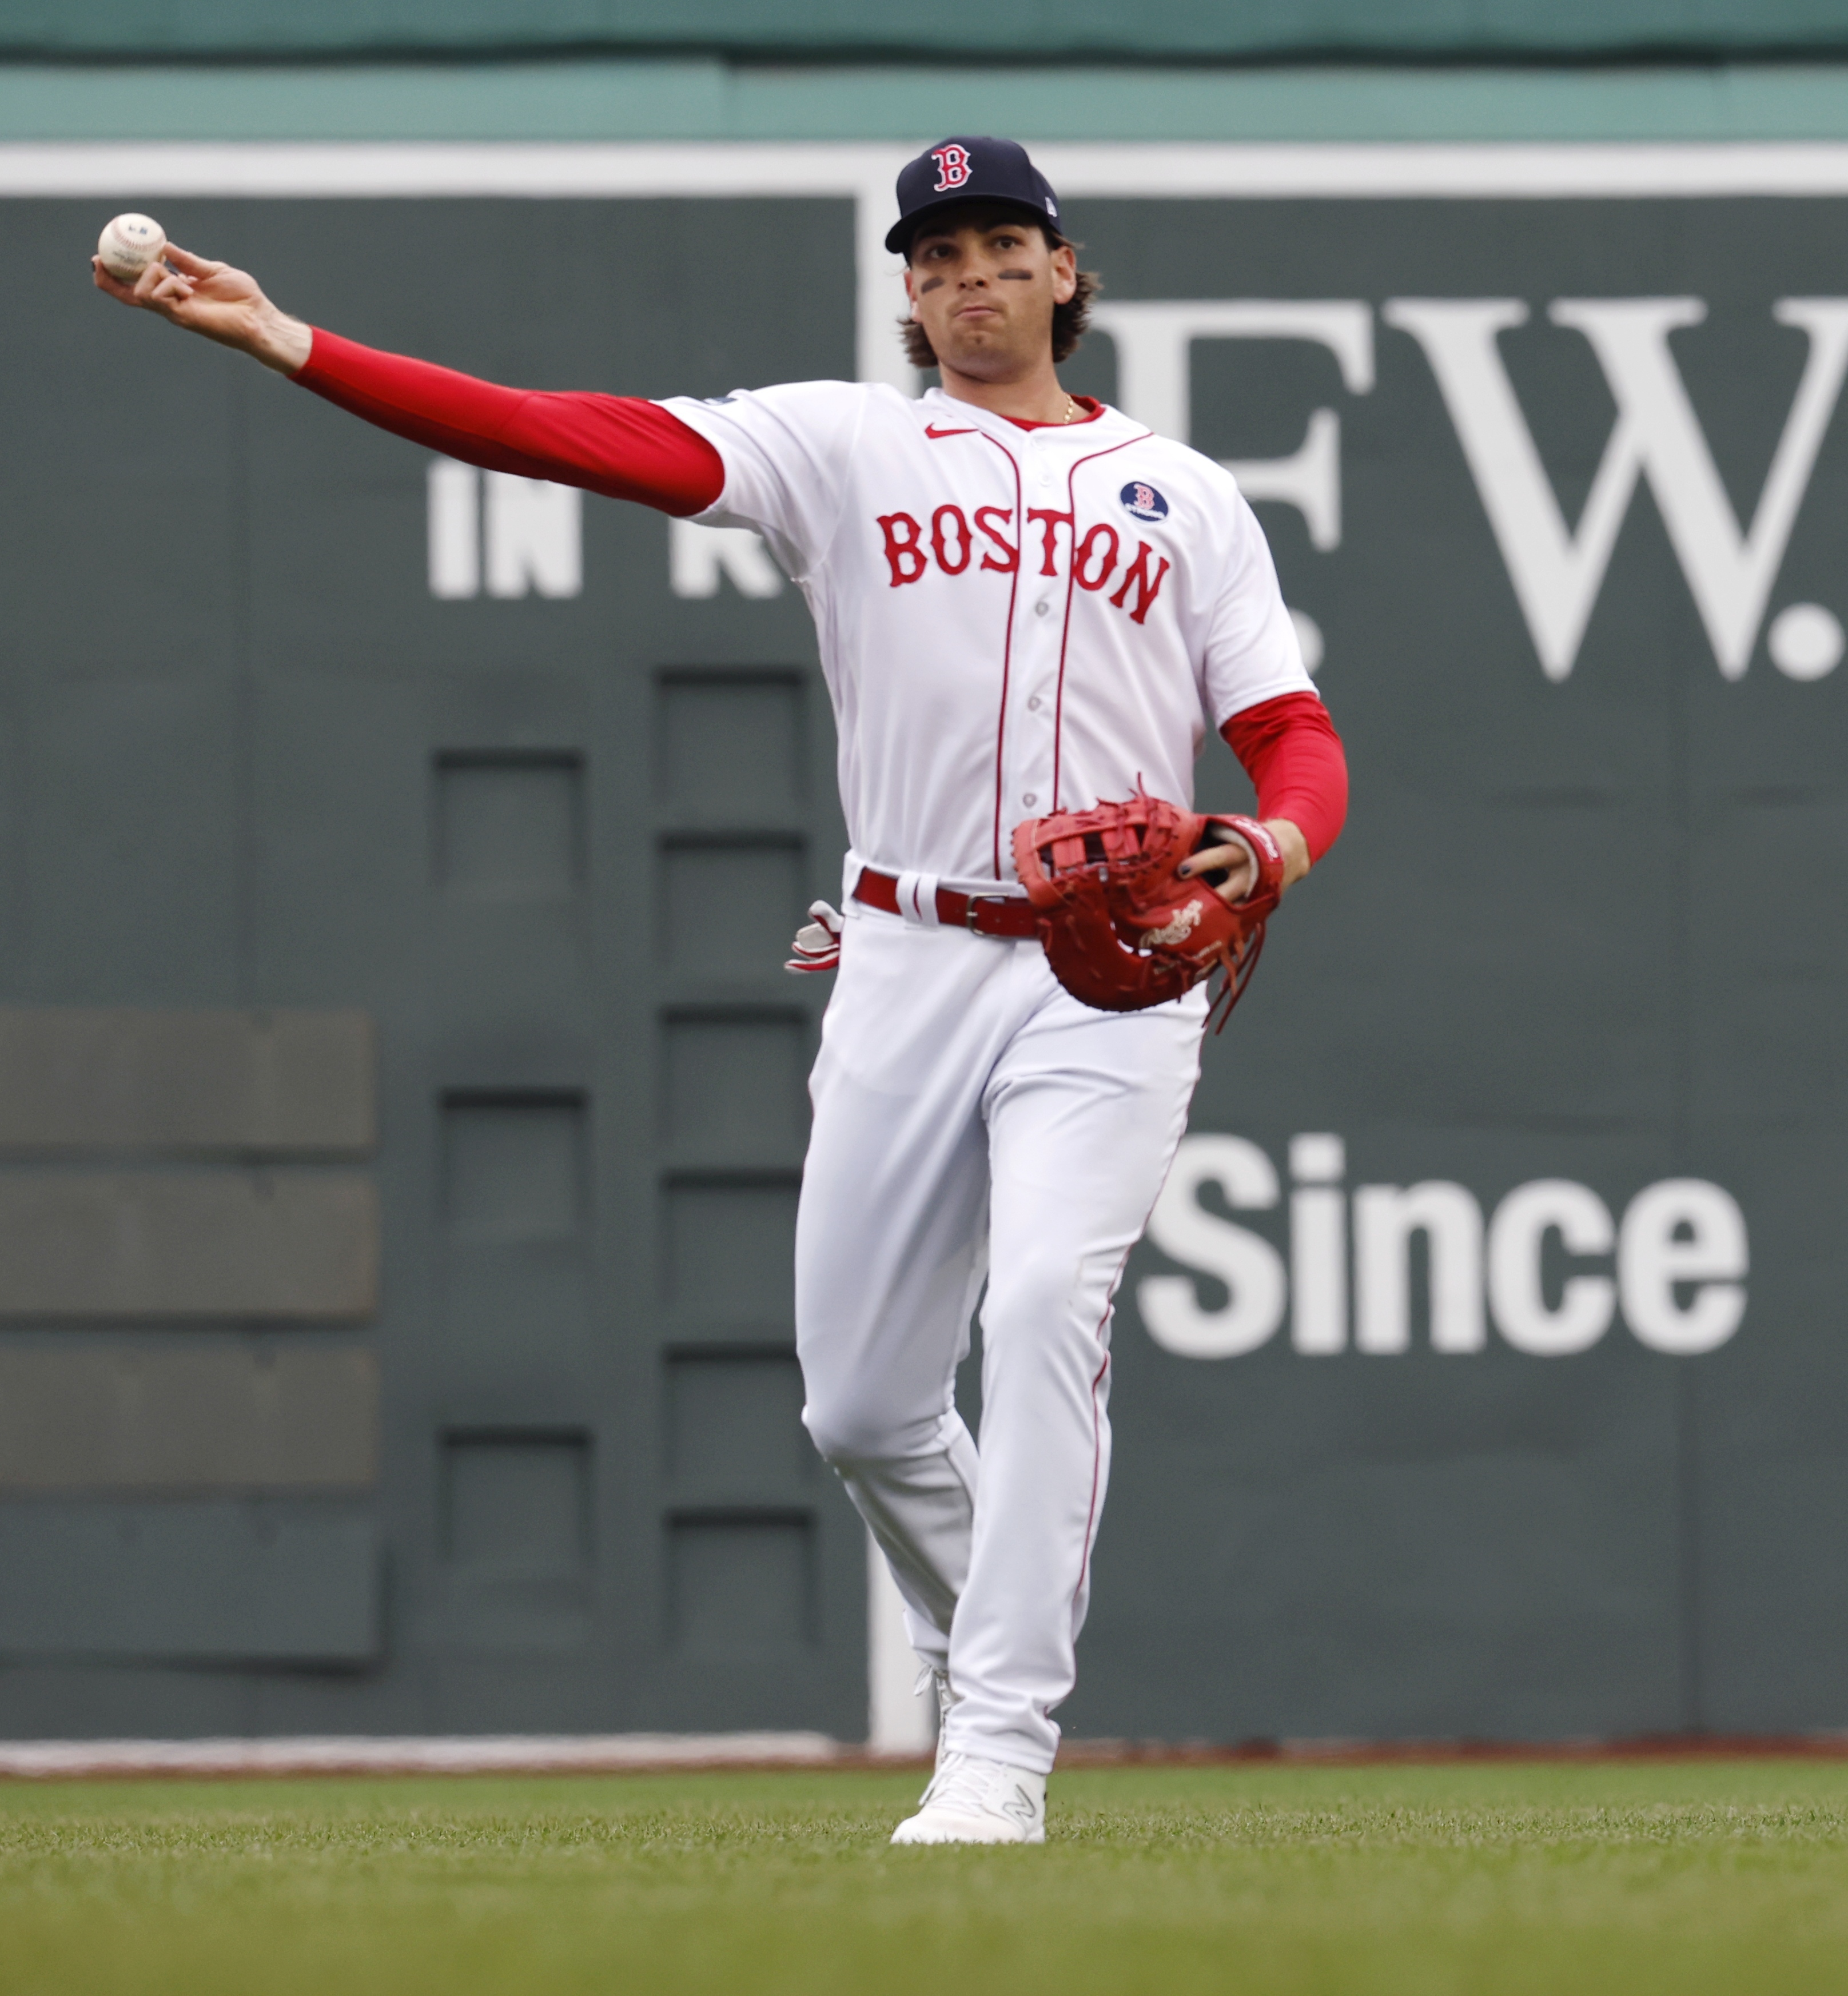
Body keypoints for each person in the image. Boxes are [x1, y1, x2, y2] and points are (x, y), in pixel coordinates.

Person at [95, 136, 1349, 1846]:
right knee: (863, 1403)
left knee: (1052, 1294)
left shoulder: (1186, 493)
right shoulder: (846, 447)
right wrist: (293, 341)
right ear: (907, 292)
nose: (967, 275)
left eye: (999, 243)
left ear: (1065, 269)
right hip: (906, 950)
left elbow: (1294, 736)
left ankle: (1000, 1744)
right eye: (934, 255)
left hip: (1107, 975)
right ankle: (991, 1631)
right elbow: (559, 431)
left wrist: (1273, 847)